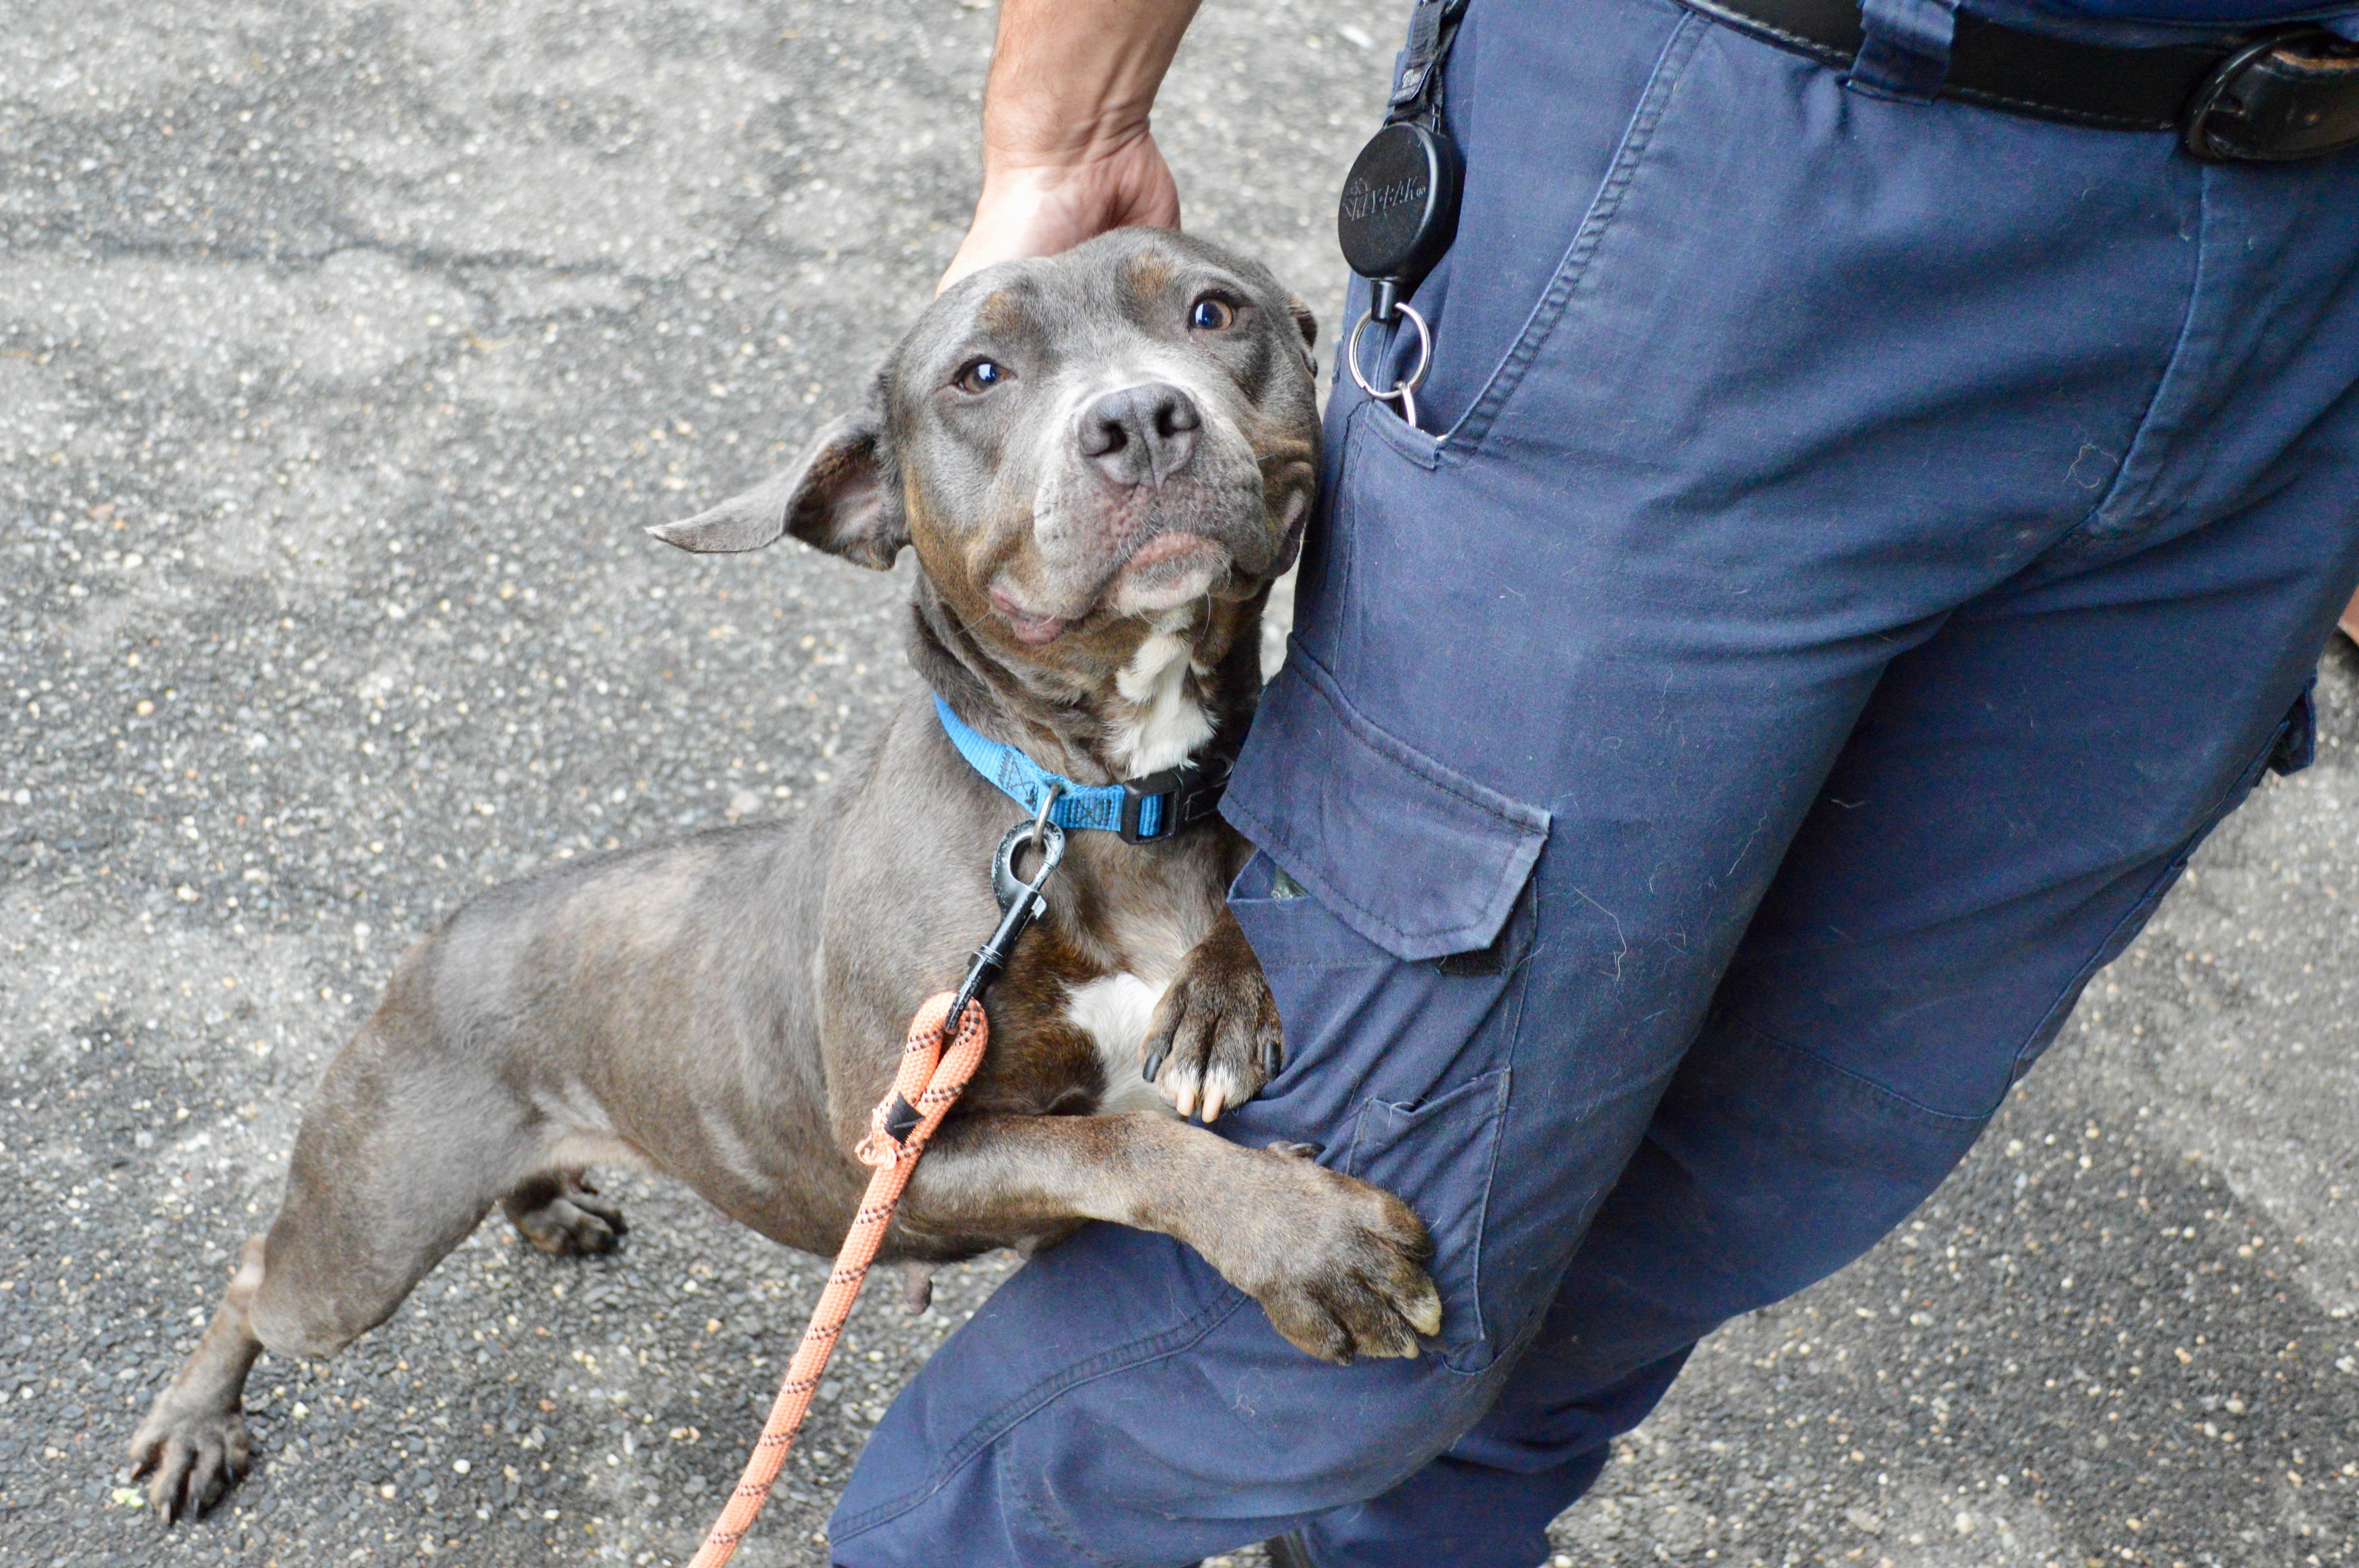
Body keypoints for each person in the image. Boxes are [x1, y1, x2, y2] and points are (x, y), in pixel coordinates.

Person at [829, 2, 2359, 1564]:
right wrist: (1074, 132)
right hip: (1747, 162)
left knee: (1744, 1170)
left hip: (2303, 272)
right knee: (1399, 1190)